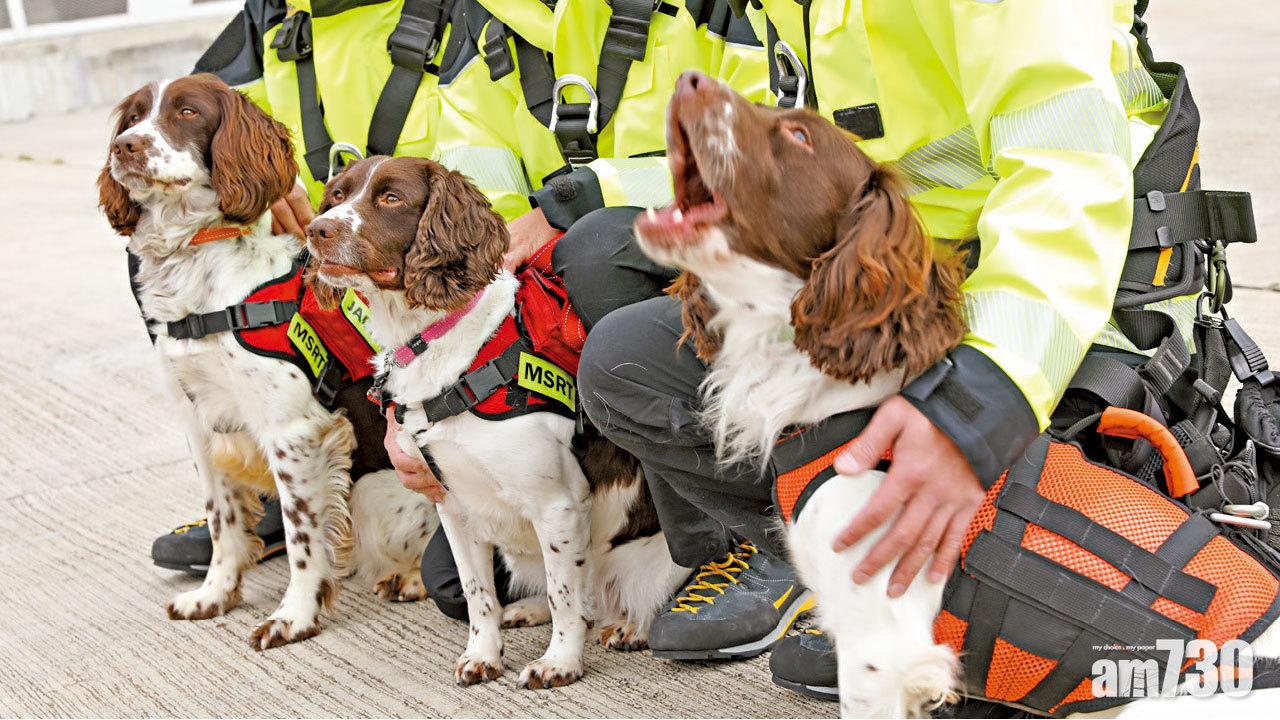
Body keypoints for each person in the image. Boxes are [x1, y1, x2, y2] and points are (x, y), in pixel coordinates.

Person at [572, 0, 1195, 697]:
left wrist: (979, 399)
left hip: (1066, 318)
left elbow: (1069, 166)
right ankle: (819, 566)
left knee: (1084, 623)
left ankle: (912, 590)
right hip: (888, 307)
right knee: (626, 361)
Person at [147, 0, 549, 600]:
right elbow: (199, 127)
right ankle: (263, 492)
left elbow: (483, 209)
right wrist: (264, 173)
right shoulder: (271, 17)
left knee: (456, 585)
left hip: (430, 285)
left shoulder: (467, 14)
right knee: (172, 261)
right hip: (312, 268)